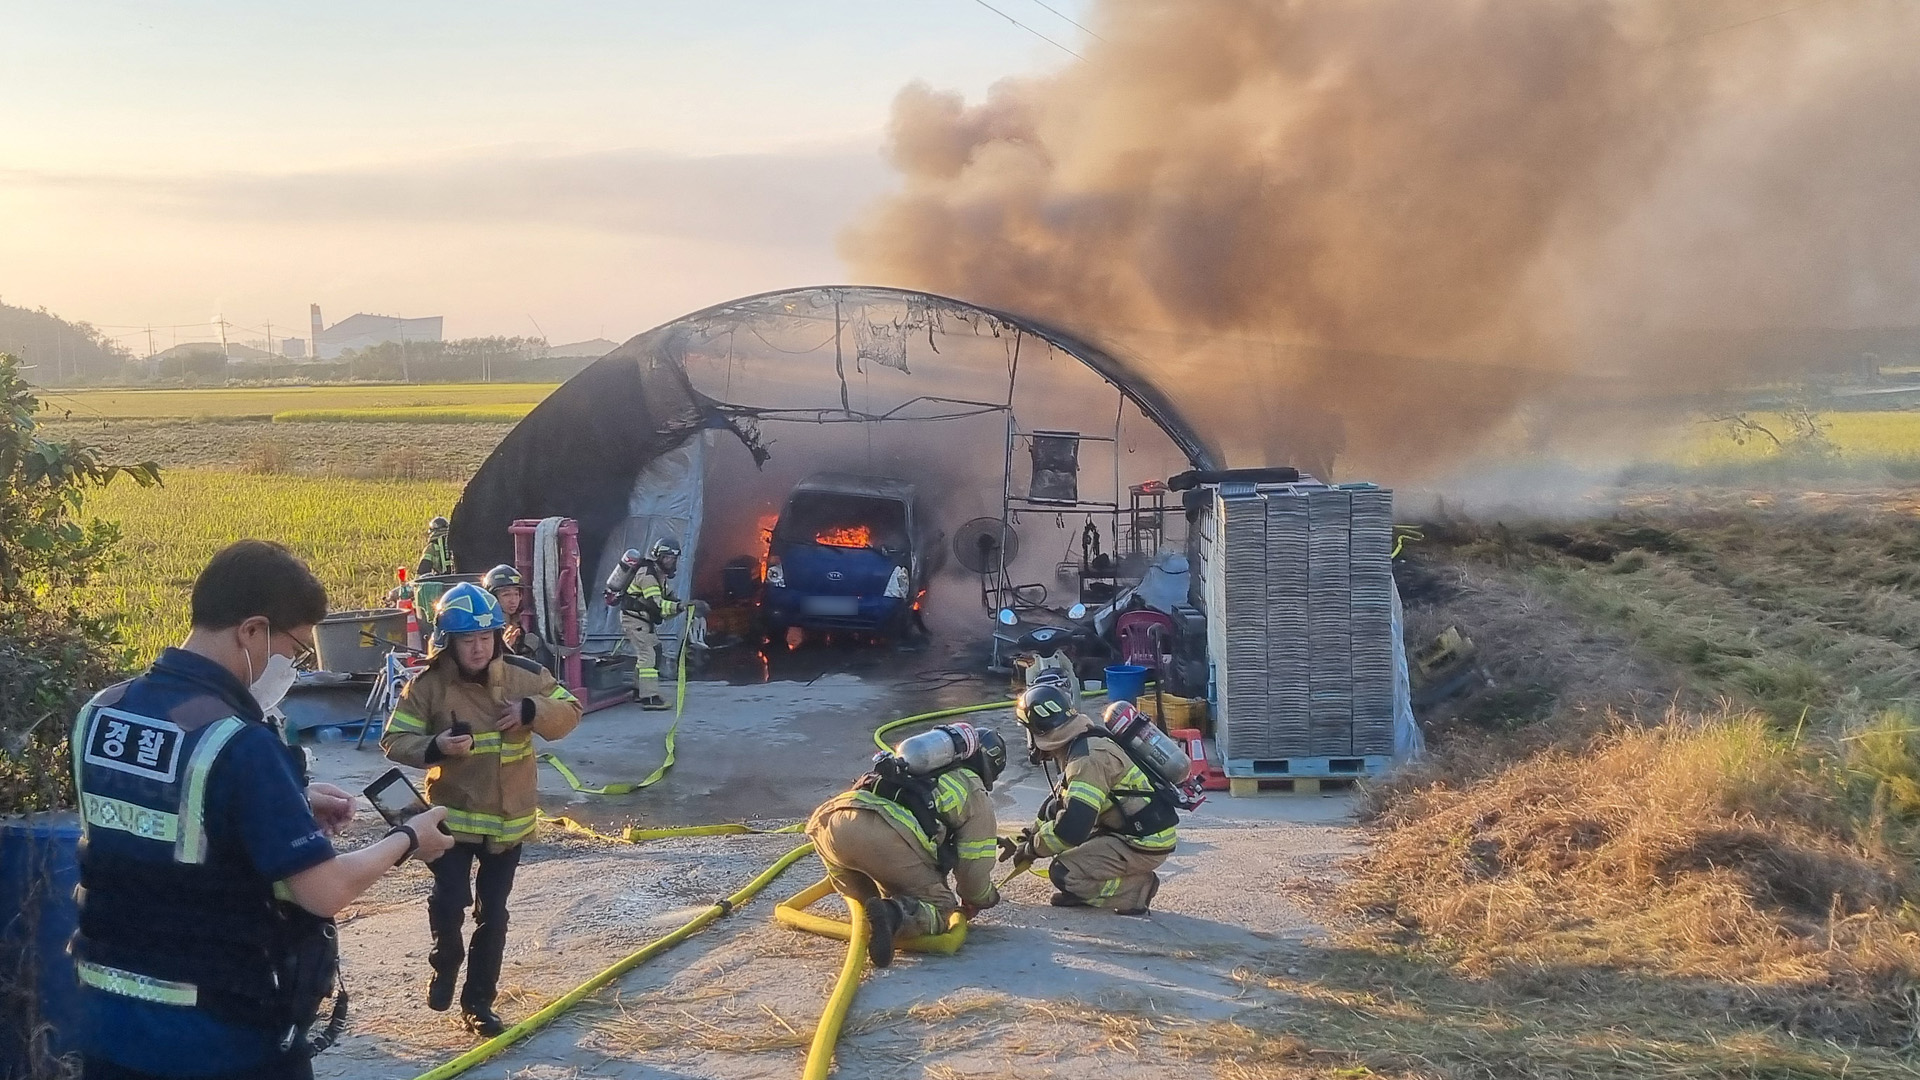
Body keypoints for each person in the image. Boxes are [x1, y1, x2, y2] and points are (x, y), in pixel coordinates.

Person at [69, 539, 455, 1080]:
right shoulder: (240, 743)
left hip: (108, 1021)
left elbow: (165, 813)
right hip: (220, 1036)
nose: (292, 667)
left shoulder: (103, 711)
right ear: (252, 631)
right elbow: (323, 891)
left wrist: (289, 802)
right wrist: (409, 839)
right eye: (294, 651)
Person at [380, 582, 582, 1037]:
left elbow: (571, 711)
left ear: (497, 636)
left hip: (508, 823)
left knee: (494, 915)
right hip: (451, 819)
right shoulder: (428, 686)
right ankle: (446, 959)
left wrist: (532, 709)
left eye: (486, 637)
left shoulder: (524, 676)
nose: (478, 648)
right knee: (449, 900)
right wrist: (435, 745)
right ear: (448, 642)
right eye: (467, 639)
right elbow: (393, 739)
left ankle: (478, 1004)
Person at [804, 724, 1007, 967]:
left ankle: (876, 920)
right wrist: (983, 898)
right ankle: (894, 915)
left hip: (828, 826)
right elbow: (973, 869)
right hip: (883, 837)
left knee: (869, 906)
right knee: (941, 909)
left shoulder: (909, 767)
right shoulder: (972, 787)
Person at [1003, 685, 1176, 916]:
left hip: (1142, 842)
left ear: (1038, 730)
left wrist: (1032, 850)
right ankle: (1088, 888)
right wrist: (1026, 837)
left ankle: (1135, 891)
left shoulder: (1086, 760)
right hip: (1129, 830)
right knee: (1064, 843)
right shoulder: (1081, 743)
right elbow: (1057, 805)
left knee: (1064, 872)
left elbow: (1072, 829)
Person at [617, 538, 705, 710]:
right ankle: (649, 697)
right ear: (658, 556)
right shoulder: (648, 576)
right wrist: (680, 607)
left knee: (654, 650)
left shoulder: (659, 575)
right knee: (647, 655)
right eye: (667, 557)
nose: (670, 561)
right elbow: (657, 604)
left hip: (643, 620)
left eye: (673, 558)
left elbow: (668, 599)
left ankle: (638, 690)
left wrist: (687, 606)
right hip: (634, 619)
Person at [481, 563, 553, 670]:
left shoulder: (516, 625)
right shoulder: (483, 627)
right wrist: (503, 648)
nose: (513, 600)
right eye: (506, 594)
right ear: (492, 597)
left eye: (516, 594)